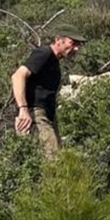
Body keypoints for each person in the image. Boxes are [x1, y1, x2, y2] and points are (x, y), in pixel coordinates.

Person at [12, 24, 86, 158]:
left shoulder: (54, 61)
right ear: (58, 40)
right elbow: (18, 76)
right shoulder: (44, 53)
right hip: (35, 113)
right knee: (52, 159)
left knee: (55, 157)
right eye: (73, 43)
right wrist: (23, 109)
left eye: (78, 45)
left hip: (46, 114)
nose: (76, 48)